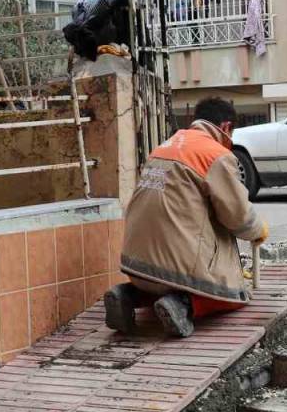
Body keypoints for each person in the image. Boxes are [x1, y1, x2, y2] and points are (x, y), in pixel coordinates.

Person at [104, 97, 268, 337]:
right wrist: (257, 229)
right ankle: (183, 305)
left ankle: (128, 294)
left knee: (161, 282)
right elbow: (237, 217)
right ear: (225, 127)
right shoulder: (216, 155)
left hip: (135, 266)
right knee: (233, 295)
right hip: (175, 270)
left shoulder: (165, 146)